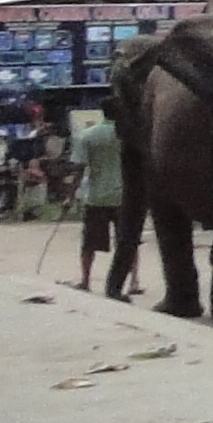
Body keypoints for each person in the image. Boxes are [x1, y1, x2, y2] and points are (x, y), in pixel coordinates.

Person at [74, 107, 130, 292]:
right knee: (128, 240)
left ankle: (85, 280)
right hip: (124, 195)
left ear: (103, 113)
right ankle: (134, 282)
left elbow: (80, 167)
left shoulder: (88, 135)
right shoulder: (128, 135)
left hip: (96, 196)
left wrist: (72, 194)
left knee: (89, 242)